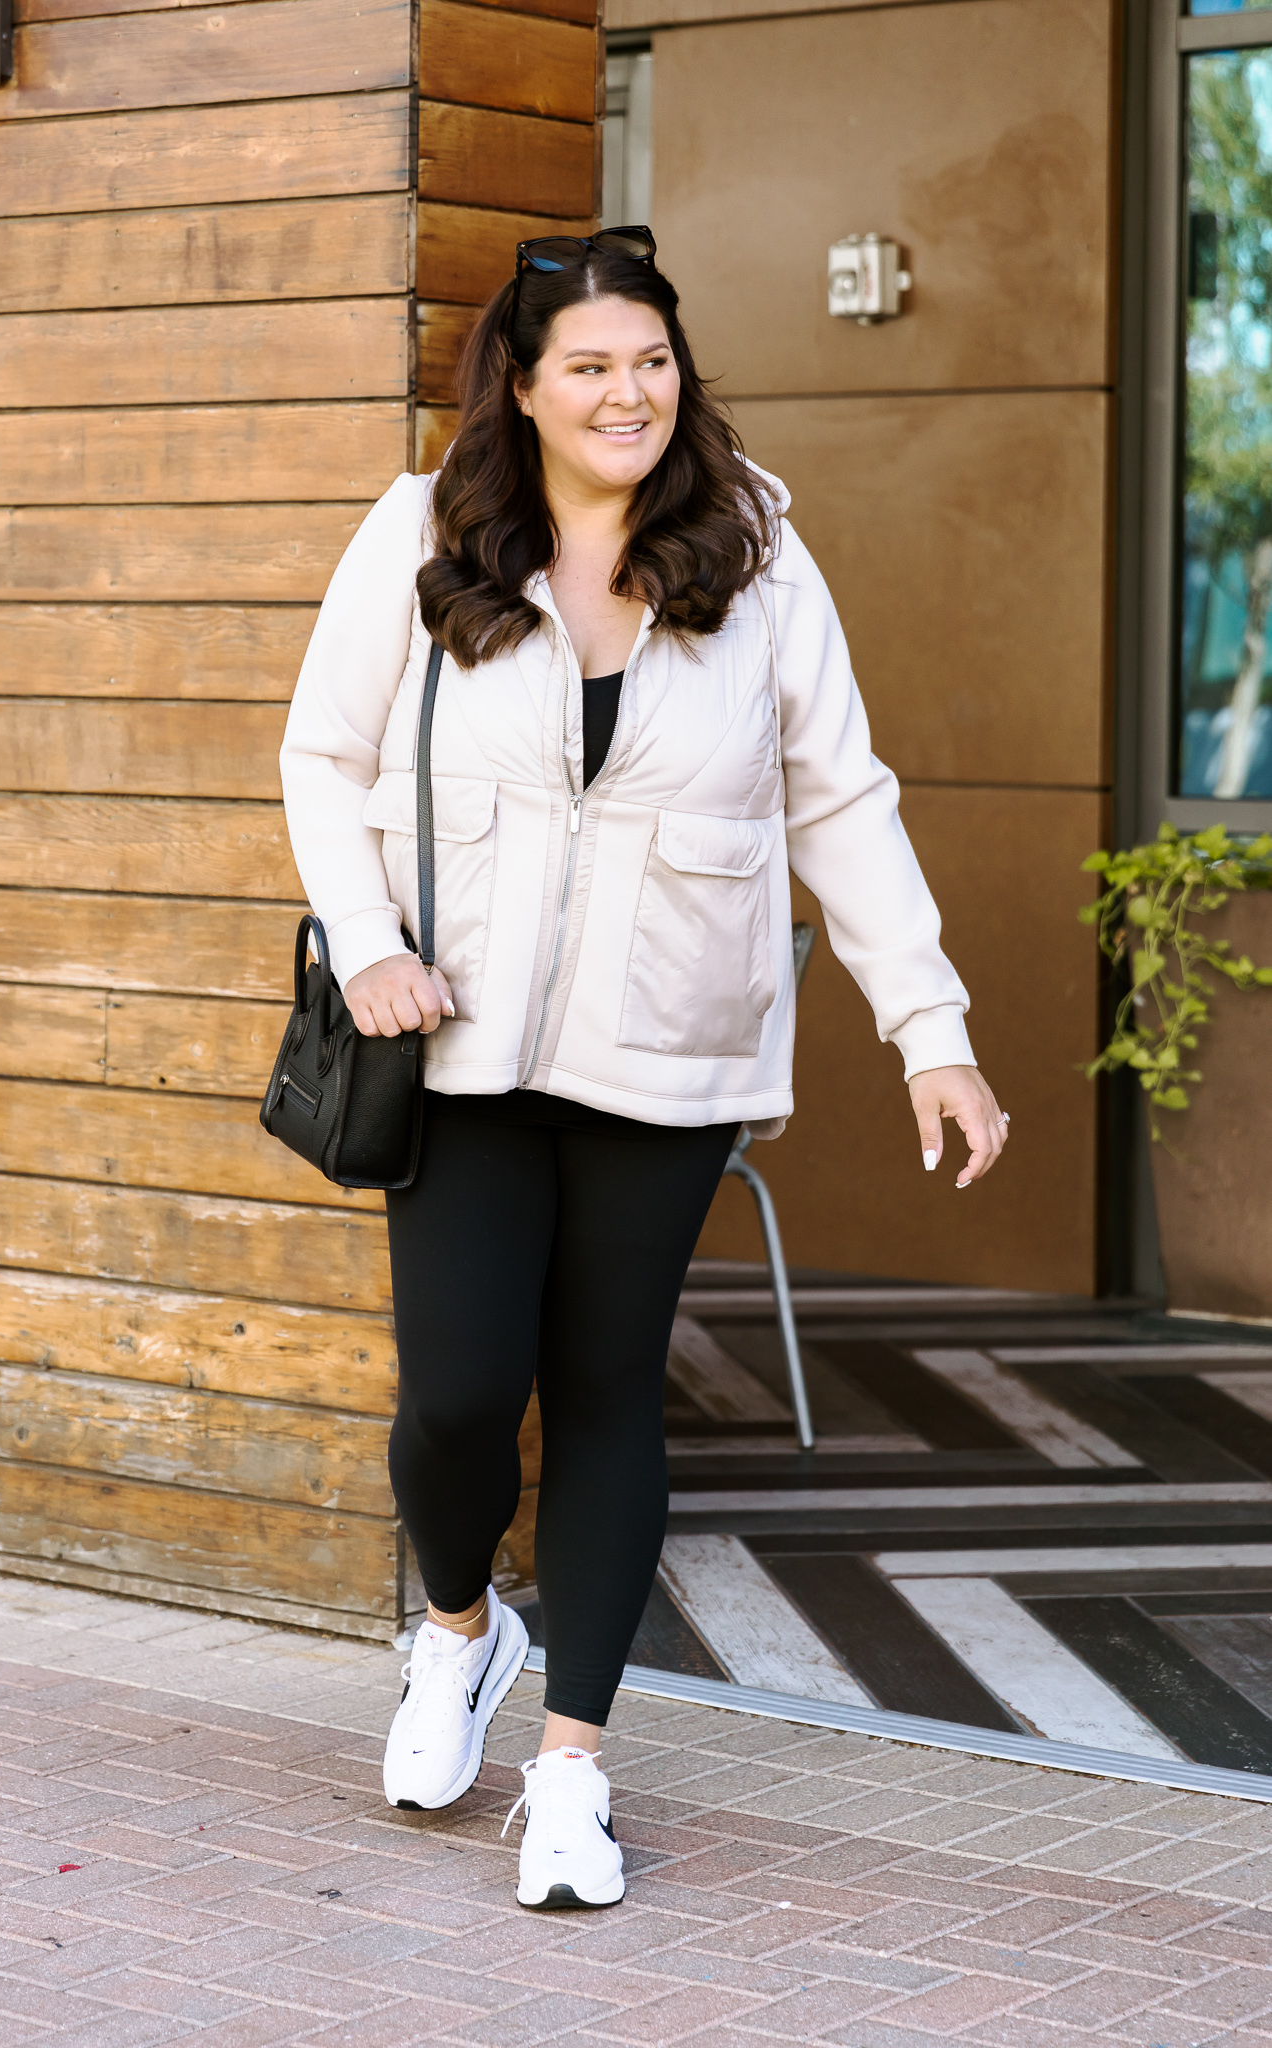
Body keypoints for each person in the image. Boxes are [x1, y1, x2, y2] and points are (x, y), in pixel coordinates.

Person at [279, 228, 1008, 1910]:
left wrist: (931, 1033)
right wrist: (367, 939)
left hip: (669, 1045)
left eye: (651, 360)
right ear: (521, 388)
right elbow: (321, 757)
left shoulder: (753, 547)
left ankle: (571, 1771)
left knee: (608, 1387)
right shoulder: (420, 533)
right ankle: (458, 1629)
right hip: (451, 1041)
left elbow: (840, 796)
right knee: (456, 1397)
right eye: (589, 365)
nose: (627, 392)